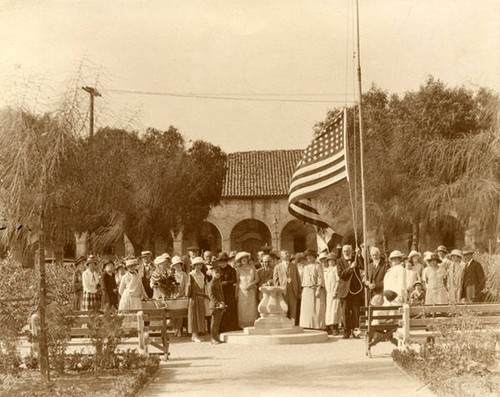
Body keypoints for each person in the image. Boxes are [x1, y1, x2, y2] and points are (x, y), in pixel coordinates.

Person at [336, 245, 364, 339]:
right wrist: (351, 268)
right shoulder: (339, 261)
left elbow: (363, 266)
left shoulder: (355, 259)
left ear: (352, 251)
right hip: (344, 291)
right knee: (345, 312)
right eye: (344, 251)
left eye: (348, 251)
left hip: (356, 290)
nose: (346, 253)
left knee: (356, 311)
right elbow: (341, 274)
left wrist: (359, 255)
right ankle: (346, 331)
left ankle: (356, 331)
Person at [299, 250, 326, 330]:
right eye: (307, 256)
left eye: (310, 256)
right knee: (307, 308)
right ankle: (307, 324)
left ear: (314, 257)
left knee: (317, 308)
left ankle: (317, 325)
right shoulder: (305, 267)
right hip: (307, 289)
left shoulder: (318, 266)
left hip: (315, 289)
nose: (308, 257)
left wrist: (318, 289)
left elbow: (320, 278)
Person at [273, 250, 301, 324]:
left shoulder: (293, 266)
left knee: (293, 308)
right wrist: (277, 292)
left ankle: (293, 324)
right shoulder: (277, 267)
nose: (288, 254)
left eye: (288, 253)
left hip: (293, 289)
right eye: (285, 253)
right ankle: (284, 324)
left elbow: (298, 279)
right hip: (283, 290)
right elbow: (276, 281)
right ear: (281, 256)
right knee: (284, 308)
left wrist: (299, 291)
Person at [235, 251, 259, 328]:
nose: (244, 261)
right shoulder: (238, 269)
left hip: (251, 291)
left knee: (251, 308)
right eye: (242, 259)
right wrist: (236, 293)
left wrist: (251, 284)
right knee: (243, 308)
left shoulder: (252, 268)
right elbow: (237, 282)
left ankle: (252, 323)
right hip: (242, 291)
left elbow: (257, 279)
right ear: (240, 261)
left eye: (245, 259)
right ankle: (243, 325)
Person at [217, 252, 239, 332]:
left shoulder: (231, 269)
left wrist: (226, 282)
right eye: (221, 262)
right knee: (221, 308)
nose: (222, 263)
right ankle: (221, 327)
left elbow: (234, 280)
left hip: (229, 292)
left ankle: (231, 327)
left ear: (227, 261)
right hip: (220, 292)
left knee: (229, 308)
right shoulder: (217, 269)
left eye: (224, 262)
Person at [187, 256, 207, 342]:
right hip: (194, 298)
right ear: (194, 265)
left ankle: (197, 335)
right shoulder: (191, 275)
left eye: (200, 265)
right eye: (197, 265)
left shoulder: (202, 275)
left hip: (201, 298)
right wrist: (189, 297)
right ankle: (193, 335)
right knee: (193, 316)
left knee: (199, 315)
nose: (199, 266)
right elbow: (189, 287)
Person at [208, 263, 226, 344]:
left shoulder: (218, 282)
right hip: (215, 306)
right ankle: (213, 338)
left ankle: (216, 337)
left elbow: (221, 294)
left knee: (218, 323)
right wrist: (218, 303)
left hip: (220, 305)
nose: (218, 274)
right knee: (214, 323)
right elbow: (211, 295)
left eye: (219, 273)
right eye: (216, 272)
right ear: (212, 273)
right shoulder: (211, 283)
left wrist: (222, 302)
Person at [171, 256, 188, 337]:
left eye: (179, 265)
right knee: (174, 313)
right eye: (175, 266)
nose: (177, 267)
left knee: (180, 313)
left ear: (181, 266)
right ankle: (175, 328)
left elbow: (187, 285)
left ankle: (179, 329)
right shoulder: (172, 275)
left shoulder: (184, 275)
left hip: (182, 296)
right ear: (173, 267)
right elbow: (169, 287)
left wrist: (185, 294)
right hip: (173, 296)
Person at [324, 252, 341, 335]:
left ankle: (335, 327)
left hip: (334, 292)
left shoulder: (336, 269)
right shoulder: (326, 270)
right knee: (328, 310)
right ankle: (329, 327)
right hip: (328, 292)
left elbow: (338, 280)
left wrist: (335, 290)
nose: (331, 262)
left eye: (332, 260)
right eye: (329, 260)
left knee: (335, 309)